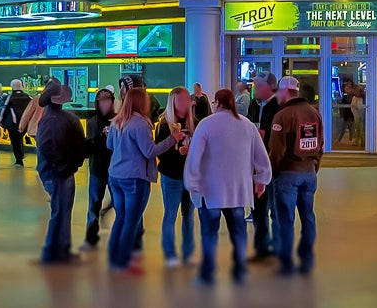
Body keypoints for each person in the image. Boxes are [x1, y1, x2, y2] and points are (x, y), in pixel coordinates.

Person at [184, 88, 271, 286]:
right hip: (237, 192)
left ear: (217, 102)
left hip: (210, 192)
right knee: (238, 232)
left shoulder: (206, 124)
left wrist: (192, 184)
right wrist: (262, 180)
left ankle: (207, 274)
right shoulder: (247, 125)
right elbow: (261, 156)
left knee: (209, 234)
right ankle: (240, 270)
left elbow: (194, 158)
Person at [105, 86, 180, 274]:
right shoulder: (141, 124)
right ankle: (122, 262)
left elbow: (109, 145)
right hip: (135, 178)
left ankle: (114, 259)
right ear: (142, 102)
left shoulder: (117, 121)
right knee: (131, 221)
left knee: (120, 219)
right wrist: (173, 139)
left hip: (115, 175)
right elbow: (150, 151)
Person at [266, 76, 323, 275]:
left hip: (287, 175)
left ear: (286, 91)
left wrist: (269, 175)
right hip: (309, 173)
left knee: (285, 220)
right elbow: (320, 144)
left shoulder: (282, 116)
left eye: (279, 92)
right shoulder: (314, 113)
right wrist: (314, 167)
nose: (277, 96)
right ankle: (307, 261)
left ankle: (286, 263)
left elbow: (276, 151)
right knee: (308, 217)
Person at [34, 80, 87, 264]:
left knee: (61, 211)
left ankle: (59, 251)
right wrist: (67, 167)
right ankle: (55, 252)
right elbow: (53, 148)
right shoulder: (62, 119)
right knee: (61, 212)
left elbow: (46, 147)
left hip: (54, 172)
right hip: (59, 173)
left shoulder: (48, 118)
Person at [154, 87, 196, 268]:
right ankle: (170, 253)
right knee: (170, 215)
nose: (187, 103)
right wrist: (177, 150)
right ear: (174, 102)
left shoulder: (194, 123)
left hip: (190, 177)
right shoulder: (165, 125)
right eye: (183, 100)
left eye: (189, 100)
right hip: (171, 176)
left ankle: (188, 252)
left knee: (189, 215)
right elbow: (159, 152)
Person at [245, 73, 279, 261]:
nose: (255, 89)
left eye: (259, 86)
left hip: (274, 165)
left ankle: (279, 247)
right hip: (256, 165)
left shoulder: (278, 107)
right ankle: (262, 248)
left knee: (275, 209)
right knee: (258, 209)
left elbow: (272, 135)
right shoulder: (254, 105)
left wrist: (262, 135)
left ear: (270, 87)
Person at [81, 87, 115, 251]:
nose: (105, 103)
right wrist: (100, 137)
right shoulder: (92, 122)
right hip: (97, 168)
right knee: (94, 203)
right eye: (101, 100)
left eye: (108, 99)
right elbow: (89, 146)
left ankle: (120, 234)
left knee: (119, 200)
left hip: (116, 168)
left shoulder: (117, 120)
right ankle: (90, 236)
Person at [0, 79, 32, 167]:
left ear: (12, 86)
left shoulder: (9, 97)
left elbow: (4, 110)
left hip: (12, 123)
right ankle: (21, 155)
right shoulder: (28, 97)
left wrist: (1, 121)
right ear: (22, 86)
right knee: (20, 138)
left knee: (15, 141)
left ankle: (19, 160)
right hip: (25, 123)